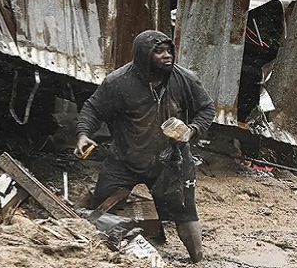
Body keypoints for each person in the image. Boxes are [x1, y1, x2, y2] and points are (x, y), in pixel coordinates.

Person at [74, 29, 215, 263]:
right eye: (158, 52)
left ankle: (199, 261)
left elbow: (206, 109)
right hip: (125, 159)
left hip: (171, 161)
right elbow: (93, 109)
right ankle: (98, 258)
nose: (167, 56)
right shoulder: (118, 82)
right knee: (102, 211)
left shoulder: (185, 79)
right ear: (142, 56)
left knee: (185, 213)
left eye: (169, 50)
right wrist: (83, 134)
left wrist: (192, 130)